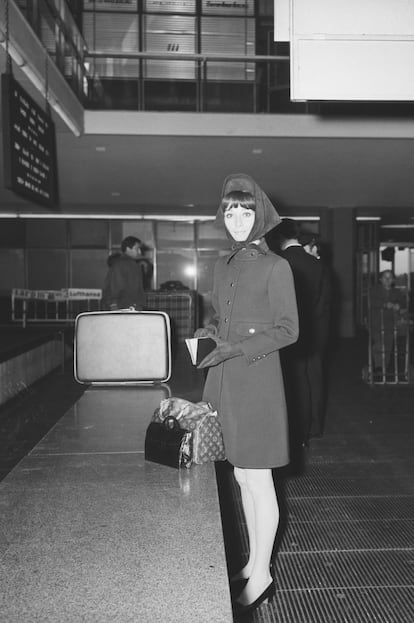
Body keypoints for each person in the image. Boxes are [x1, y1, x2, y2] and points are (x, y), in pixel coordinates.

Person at [195, 174, 298, 616]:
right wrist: (208, 335)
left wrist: (238, 347)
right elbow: (222, 317)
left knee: (259, 479)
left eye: (246, 211)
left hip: (257, 381)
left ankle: (262, 573)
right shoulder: (222, 265)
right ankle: (255, 560)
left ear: (261, 217)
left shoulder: (278, 266)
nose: (237, 220)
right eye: (230, 212)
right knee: (240, 477)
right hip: (226, 382)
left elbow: (288, 330)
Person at [274, 219, 331, 447]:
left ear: (279, 238)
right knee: (315, 378)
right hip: (316, 332)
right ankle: (316, 426)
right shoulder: (319, 264)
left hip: (290, 332)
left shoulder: (280, 263)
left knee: (296, 382)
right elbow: (324, 301)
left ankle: (300, 432)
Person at [369, 269, 408, 376]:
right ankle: (378, 366)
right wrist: (386, 304)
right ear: (380, 279)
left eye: (390, 277)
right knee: (379, 344)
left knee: (388, 345)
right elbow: (373, 301)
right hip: (376, 322)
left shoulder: (397, 292)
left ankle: (384, 367)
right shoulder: (375, 290)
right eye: (385, 277)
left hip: (390, 323)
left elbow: (403, 303)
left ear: (393, 280)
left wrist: (399, 306)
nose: (387, 279)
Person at [101, 236, 146, 311]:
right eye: (137, 249)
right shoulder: (121, 265)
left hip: (130, 307)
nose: (140, 252)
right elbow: (115, 287)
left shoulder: (131, 264)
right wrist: (113, 305)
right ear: (128, 249)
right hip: (124, 308)